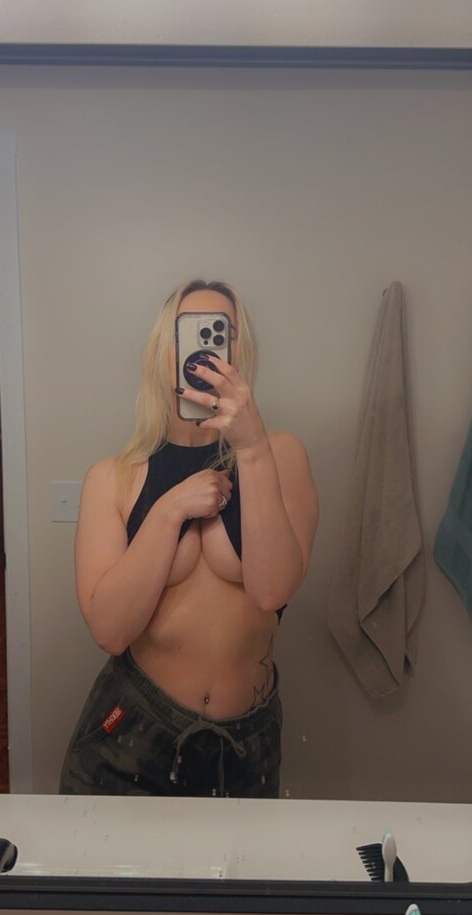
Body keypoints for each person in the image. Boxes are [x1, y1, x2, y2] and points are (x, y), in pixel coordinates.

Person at [58, 278, 319, 798]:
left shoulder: (281, 456)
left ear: (239, 353)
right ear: (163, 353)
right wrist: (169, 511)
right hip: (132, 733)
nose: (204, 352)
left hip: (246, 743)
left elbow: (272, 590)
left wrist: (251, 448)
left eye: (221, 334)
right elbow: (110, 630)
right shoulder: (113, 478)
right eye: (188, 333)